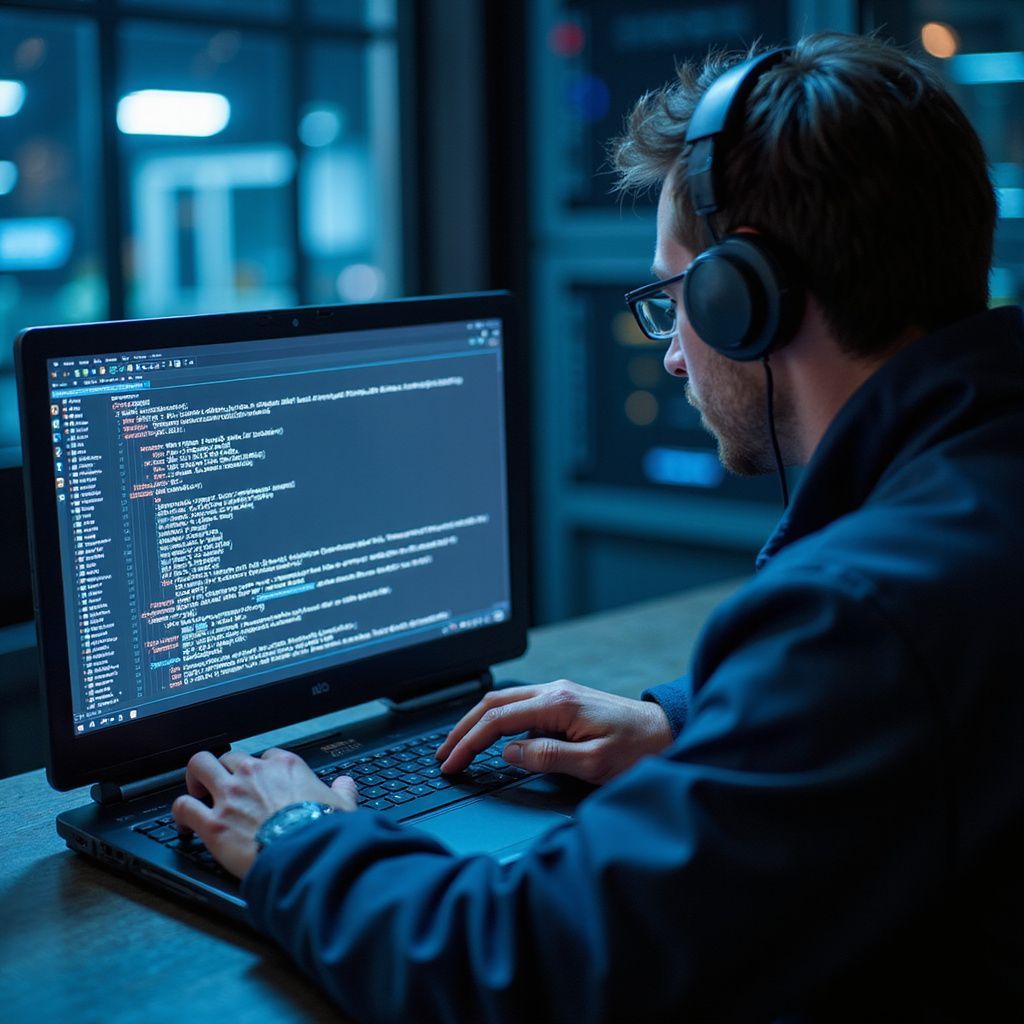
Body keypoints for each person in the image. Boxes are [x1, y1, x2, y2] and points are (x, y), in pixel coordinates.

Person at [172, 32, 1024, 1021]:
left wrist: (296, 837)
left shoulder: (862, 612)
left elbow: (524, 967)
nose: (670, 358)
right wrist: (687, 730)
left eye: (673, 301)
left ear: (742, 299)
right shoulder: (971, 496)